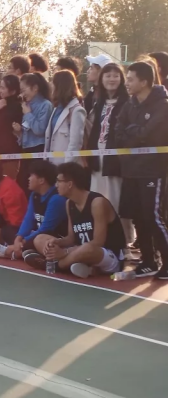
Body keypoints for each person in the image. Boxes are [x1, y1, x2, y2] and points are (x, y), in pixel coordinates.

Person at [24, 162, 126, 279]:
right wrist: (56, 242)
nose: (56, 185)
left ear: (70, 184)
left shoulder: (97, 203)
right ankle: (79, 266)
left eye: (59, 181)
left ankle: (56, 265)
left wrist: (65, 253)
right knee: (40, 238)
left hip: (107, 255)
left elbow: (98, 242)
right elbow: (71, 238)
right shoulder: (69, 203)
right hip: (79, 251)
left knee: (87, 248)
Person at [115, 61, 168, 280]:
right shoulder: (129, 105)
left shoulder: (162, 105)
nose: (126, 83)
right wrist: (135, 133)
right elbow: (118, 133)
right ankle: (149, 261)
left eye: (130, 79)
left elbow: (151, 134)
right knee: (137, 216)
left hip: (152, 169)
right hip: (131, 168)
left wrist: (135, 132)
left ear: (144, 81)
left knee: (152, 216)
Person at [85, 63, 134, 246]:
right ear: (102, 79)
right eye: (107, 75)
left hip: (116, 159)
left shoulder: (128, 102)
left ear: (121, 79)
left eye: (115, 76)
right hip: (97, 156)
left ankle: (124, 241)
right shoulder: (98, 103)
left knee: (117, 199)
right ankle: (101, 239)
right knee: (97, 198)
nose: (111, 79)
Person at [0, 160, 67, 259]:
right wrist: (18, 238)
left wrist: (24, 241)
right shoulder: (34, 195)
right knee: (8, 230)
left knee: (38, 239)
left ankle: (10, 251)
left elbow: (45, 229)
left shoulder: (56, 199)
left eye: (31, 175)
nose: (28, 179)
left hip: (53, 238)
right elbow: (28, 220)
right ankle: (24, 251)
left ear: (41, 180)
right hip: (38, 233)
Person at [14, 73, 52, 191]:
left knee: (35, 186)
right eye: (21, 90)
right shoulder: (26, 105)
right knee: (22, 184)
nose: (22, 93)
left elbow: (40, 129)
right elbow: (27, 130)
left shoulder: (45, 105)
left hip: (38, 149)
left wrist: (28, 114)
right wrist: (19, 132)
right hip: (26, 149)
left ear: (35, 88)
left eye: (24, 90)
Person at [44, 70, 86, 165]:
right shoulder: (56, 108)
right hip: (51, 164)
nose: (51, 85)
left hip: (66, 166)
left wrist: (66, 166)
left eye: (53, 82)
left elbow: (75, 143)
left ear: (60, 86)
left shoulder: (76, 110)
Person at [0, 74, 23, 179]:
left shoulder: (18, 107)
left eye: (3, 88)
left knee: (8, 181)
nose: (0, 90)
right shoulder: (0, 103)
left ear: (13, 91)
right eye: (0, 87)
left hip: (10, 151)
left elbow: (1, 125)